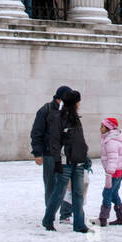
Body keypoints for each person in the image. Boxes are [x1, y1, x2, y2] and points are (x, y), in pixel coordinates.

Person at [42, 90, 90, 233]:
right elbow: (55, 141)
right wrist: (57, 160)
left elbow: (80, 140)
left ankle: (79, 224)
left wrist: (84, 155)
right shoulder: (59, 118)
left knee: (78, 193)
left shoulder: (76, 118)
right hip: (65, 161)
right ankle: (48, 219)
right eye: (78, 101)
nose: (80, 104)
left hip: (78, 160)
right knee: (59, 192)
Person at [31, 86, 74, 223]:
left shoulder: (68, 112)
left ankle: (65, 213)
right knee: (51, 183)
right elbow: (37, 132)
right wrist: (37, 153)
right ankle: (50, 213)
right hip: (49, 153)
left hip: (65, 153)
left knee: (67, 183)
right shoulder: (46, 110)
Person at [99, 117, 122, 227]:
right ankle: (121, 217)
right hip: (119, 171)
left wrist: (109, 172)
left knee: (107, 193)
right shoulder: (110, 138)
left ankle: (103, 218)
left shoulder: (110, 141)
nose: (100, 128)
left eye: (102, 126)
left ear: (109, 128)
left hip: (114, 172)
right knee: (113, 193)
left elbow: (113, 158)